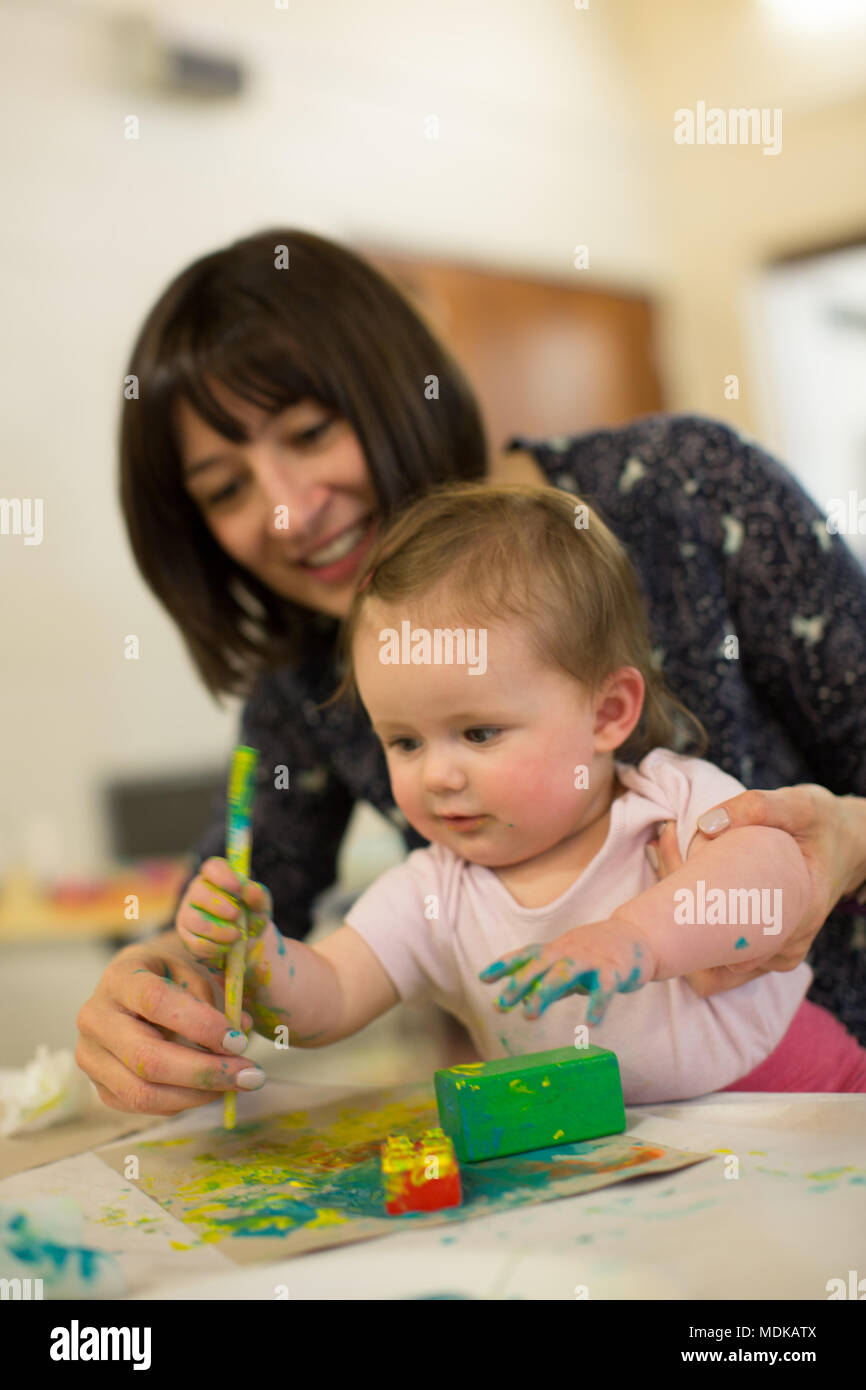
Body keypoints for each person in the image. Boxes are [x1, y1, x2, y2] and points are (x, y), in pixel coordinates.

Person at [76, 227, 866, 1114]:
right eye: (224, 488)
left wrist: (833, 846)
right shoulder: (315, 690)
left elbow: (756, 864)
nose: (288, 514)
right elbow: (281, 947)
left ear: (612, 712)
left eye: (310, 431)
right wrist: (192, 964)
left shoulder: (683, 499)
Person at [175, 481, 866, 1100]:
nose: (437, 775)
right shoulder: (431, 895)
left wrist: (636, 936)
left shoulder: (666, 803)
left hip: (809, 1102)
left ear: (607, 713)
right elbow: (329, 1000)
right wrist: (259, 956)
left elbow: (776, 877)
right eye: (405, 742)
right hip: (640, 1173)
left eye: (478, 734)